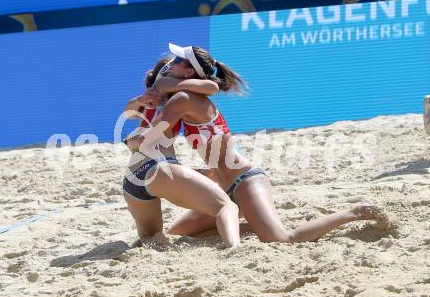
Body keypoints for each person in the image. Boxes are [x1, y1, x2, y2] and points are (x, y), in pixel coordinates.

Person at [140, 43, 386, 243]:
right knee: (176, 234)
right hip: (225, 187)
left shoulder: (184, 98)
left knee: (282, 240)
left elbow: (155, 135)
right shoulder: (189, 96)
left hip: (245, 181)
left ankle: (354, 212)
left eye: (176, 61)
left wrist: (155, 95)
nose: (169, 64)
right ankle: (254, 226)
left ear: (188, 71)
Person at [121, 56, 240, 247]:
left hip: (132, 181)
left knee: (152, 239)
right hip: (158, 169)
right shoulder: (174, 102)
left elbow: (128, 111)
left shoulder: (149, 100)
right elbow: (211, 87)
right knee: (227, 206)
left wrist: (138, 103)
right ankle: (235, 248)